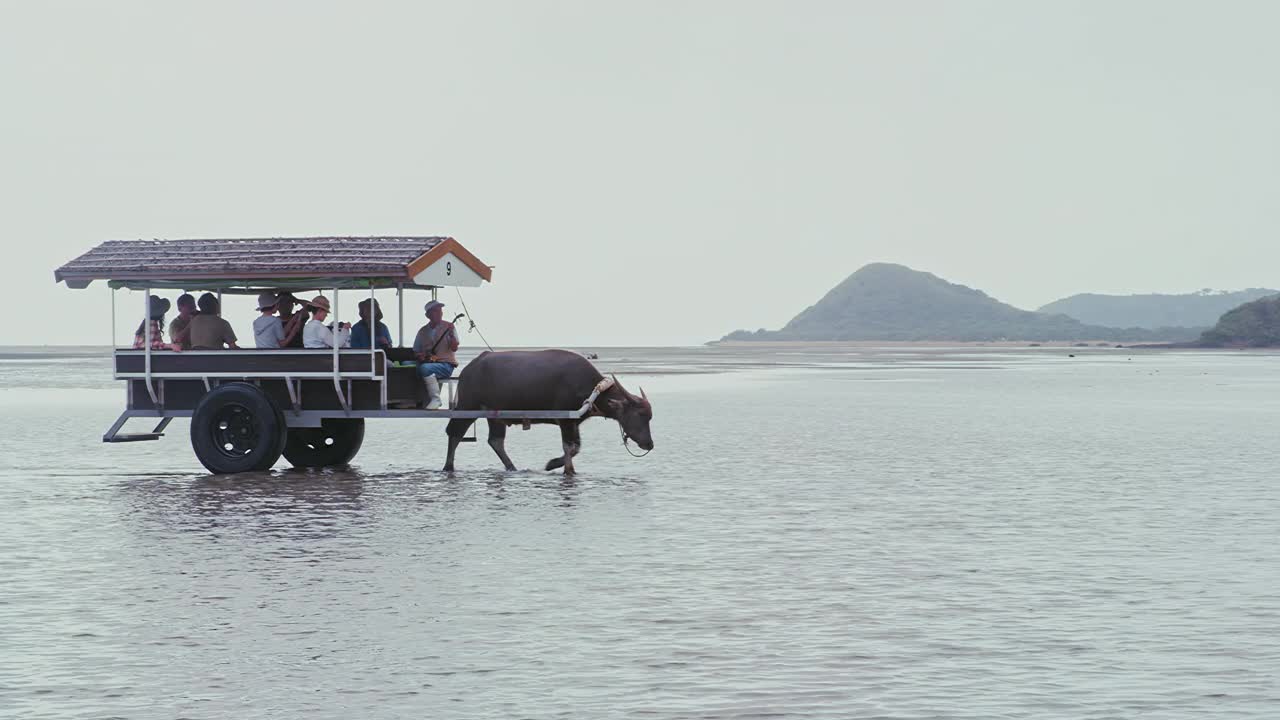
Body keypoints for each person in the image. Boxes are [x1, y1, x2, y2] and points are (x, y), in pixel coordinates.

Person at [413, 300, 459, 410]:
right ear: (427, 315)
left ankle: (436, 399)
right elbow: (416, 350)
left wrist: (452, 335)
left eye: (440, 310)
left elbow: (454, 348)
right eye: (435, 311)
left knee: (424, 368)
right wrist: (420, 356)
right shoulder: (422, 331)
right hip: (430, 362)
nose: (440, 313)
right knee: (408, 365)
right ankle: (416, 399)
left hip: (446, 365)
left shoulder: (449, 327)